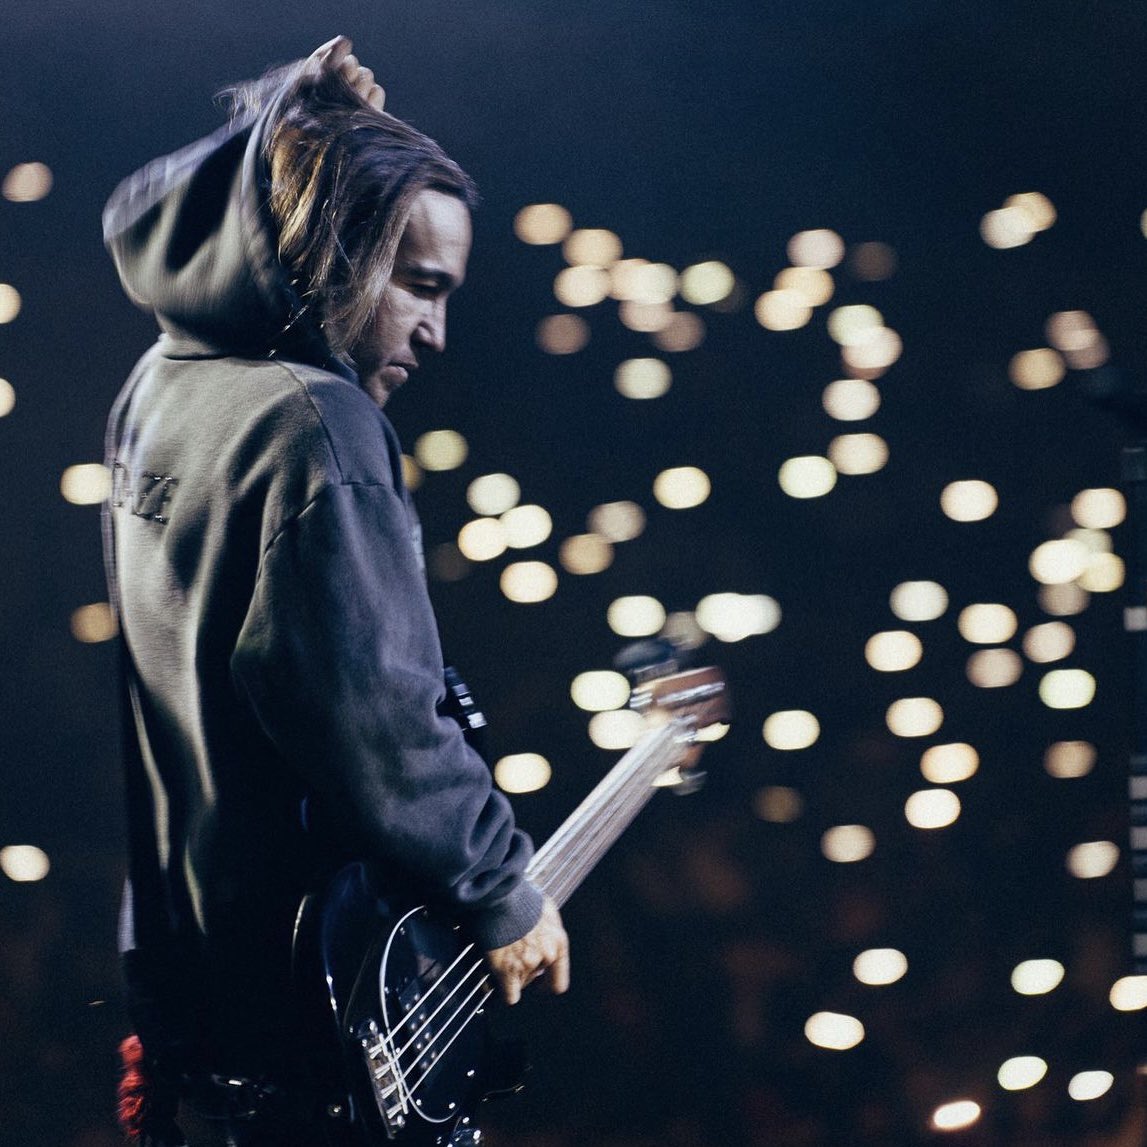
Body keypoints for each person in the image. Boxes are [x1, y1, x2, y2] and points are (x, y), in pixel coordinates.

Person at [102, 36, 569, 1146]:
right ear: (337, 244)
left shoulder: (163, 382)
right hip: (306, 1000)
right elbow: (377, 712)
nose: (436, 329)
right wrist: (502, 887)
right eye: (418, 283)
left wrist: (285, 120)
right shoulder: (318, 423)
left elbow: (153, 206)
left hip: (191, 981)